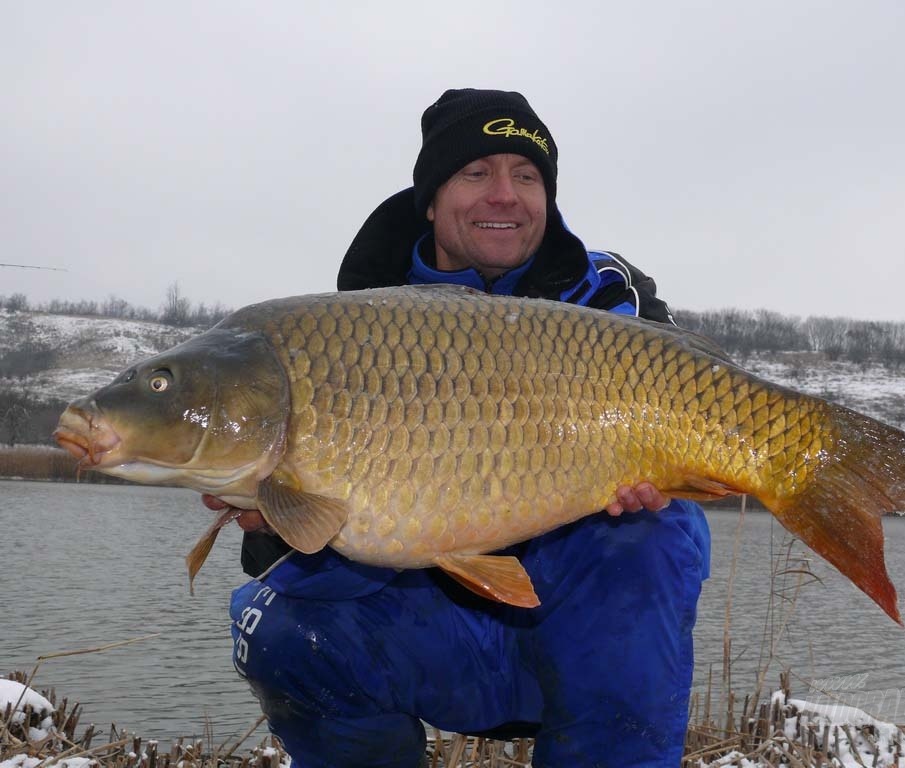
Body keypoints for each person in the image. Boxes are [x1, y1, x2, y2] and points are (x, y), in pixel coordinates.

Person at [220, 88, 712, 768]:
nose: (504, 194)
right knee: (276, 627)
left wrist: (660, 485)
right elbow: (295, 564)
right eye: (476, 173)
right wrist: (276, 516)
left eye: (527, 175)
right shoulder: (349, 329)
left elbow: (694, 433)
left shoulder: (607, 298)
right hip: (438, 643)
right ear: (429, 198)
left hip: (600, 644)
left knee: (649, 533)